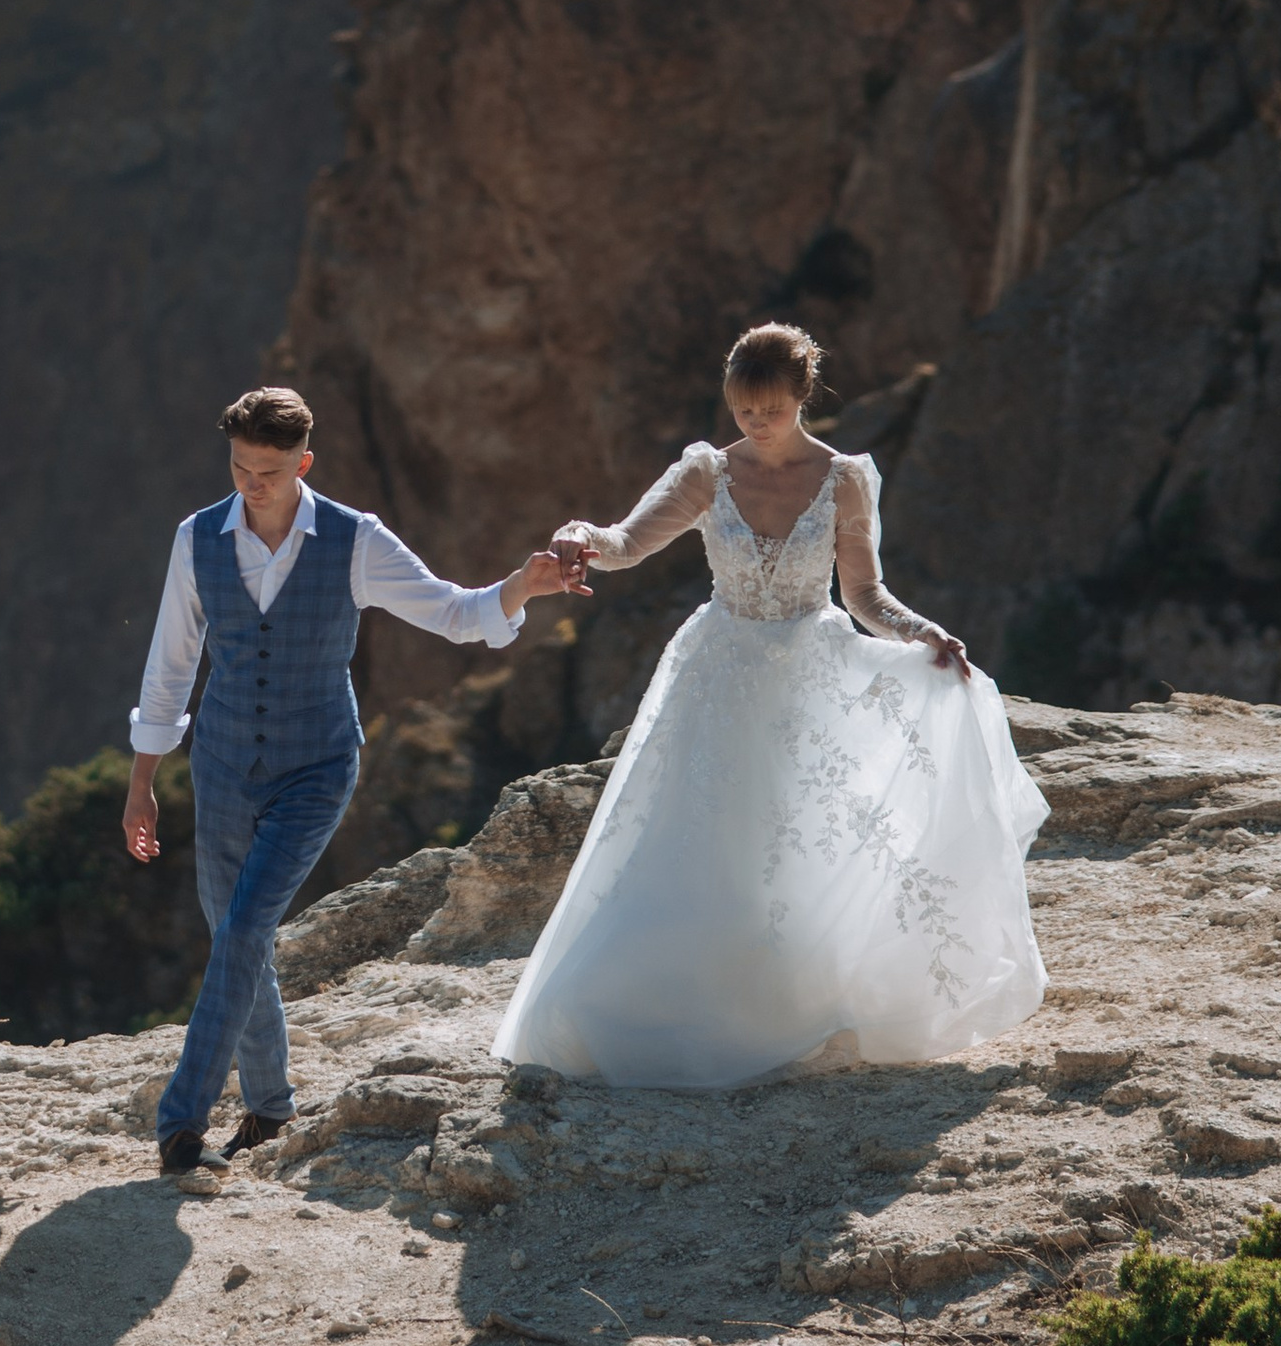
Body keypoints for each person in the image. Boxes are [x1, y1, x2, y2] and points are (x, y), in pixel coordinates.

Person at [499, 323, 1048, 1089]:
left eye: (770, 409)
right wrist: (578, 534)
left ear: (802, 398)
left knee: (794, 843)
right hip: (719, 674)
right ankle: (677, 1004)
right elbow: (624, 542)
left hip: (806, 674)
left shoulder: (845, 479)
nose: (755, 424)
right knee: (700, 838)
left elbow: (863, 593)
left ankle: (787, 1000)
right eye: (743, 409)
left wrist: (924, 632)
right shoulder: (704, 473)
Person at [125, 385, 583, 1174]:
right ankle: (270, 1111)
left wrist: (520, 587)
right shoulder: (197, 539)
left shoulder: (353, 540)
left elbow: (452, 611)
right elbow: (169, 667)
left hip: (318, 764)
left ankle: (180, 1126)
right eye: (239, 467)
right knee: (240, 937)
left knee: (241, 931)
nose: (251, 484)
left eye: (268, 470)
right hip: (224, 762)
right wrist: (143, 782)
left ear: (303, 463)